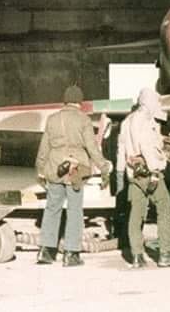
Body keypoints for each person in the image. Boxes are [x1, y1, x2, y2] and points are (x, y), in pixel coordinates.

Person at [35, 84, 112, 267]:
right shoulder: (83, 120)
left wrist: (40, 169)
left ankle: (45, 251)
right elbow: (91, 147)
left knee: (52, 208)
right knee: (75, 211)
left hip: (55, 168)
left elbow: (44, 148)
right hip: (76, 170)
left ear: (65, 100)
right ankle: (71, 253)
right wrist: (103, 167)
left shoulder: (52, 119)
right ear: (80, 101)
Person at [117, 88, 170, 269]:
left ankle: (136, 256)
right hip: (149, 173)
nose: (158, 105)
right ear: (148, 102)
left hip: (133, 173)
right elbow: (146, 147)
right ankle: (166, 253)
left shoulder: (127, 121)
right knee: (165, 209)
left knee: (136, 214)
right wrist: (156, 172)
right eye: (156, 102)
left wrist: (121, 174)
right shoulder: (145, 121)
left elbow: (121, 150)